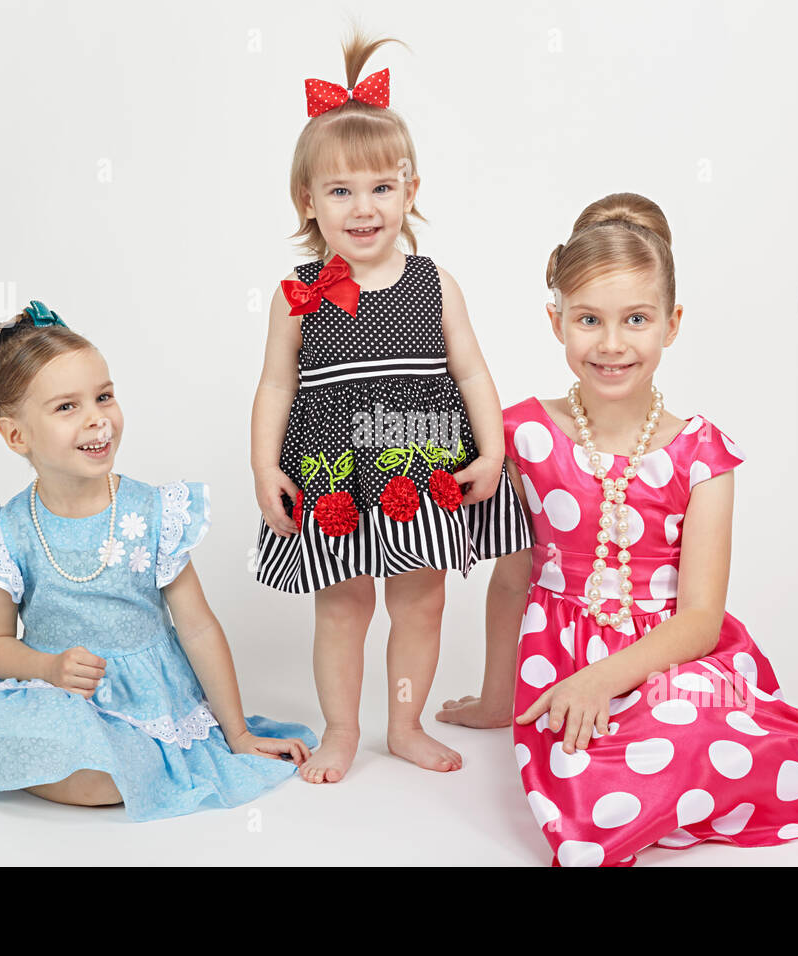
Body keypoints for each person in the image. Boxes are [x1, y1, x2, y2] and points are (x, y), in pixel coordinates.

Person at [437, 193, 798, 866]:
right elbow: (512, 585)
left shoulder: (703, 453)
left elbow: (701, 619)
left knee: (689, 725)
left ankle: (792, 759)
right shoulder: (523, 435)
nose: (612, 343)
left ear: (671, 324)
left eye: (636, 320)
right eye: (589, 319)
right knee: (585, 786)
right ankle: (677, 783)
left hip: (675, 656)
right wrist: (498, 699)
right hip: (561, 659)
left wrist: (609, 679)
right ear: (555, 320)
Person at [0, 301, 316, 821]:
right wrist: (47, 668)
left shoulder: (152, 512)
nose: (98, 418)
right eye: (66, 407)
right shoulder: (10, 530)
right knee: (65, 741)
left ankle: (29, 760)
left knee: (109, 781)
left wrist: (237, 732)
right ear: (16, 436)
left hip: (145, 700)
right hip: (52, 693)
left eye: (104, 396)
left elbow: (199, 628)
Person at [250, 29, 532, 784]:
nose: (363, 207)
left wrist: (492, 451)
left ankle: (403, 724)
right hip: (334, 470)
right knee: (342, 609)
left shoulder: (434, 282)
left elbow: (471, 373)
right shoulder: (297, 296)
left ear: (411, 191)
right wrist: (263, 467)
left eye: (381, 187)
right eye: (340, 191)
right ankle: (343, 729)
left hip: (421, 467)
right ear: (308, 201)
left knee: (421, 604)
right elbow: (277, 386)